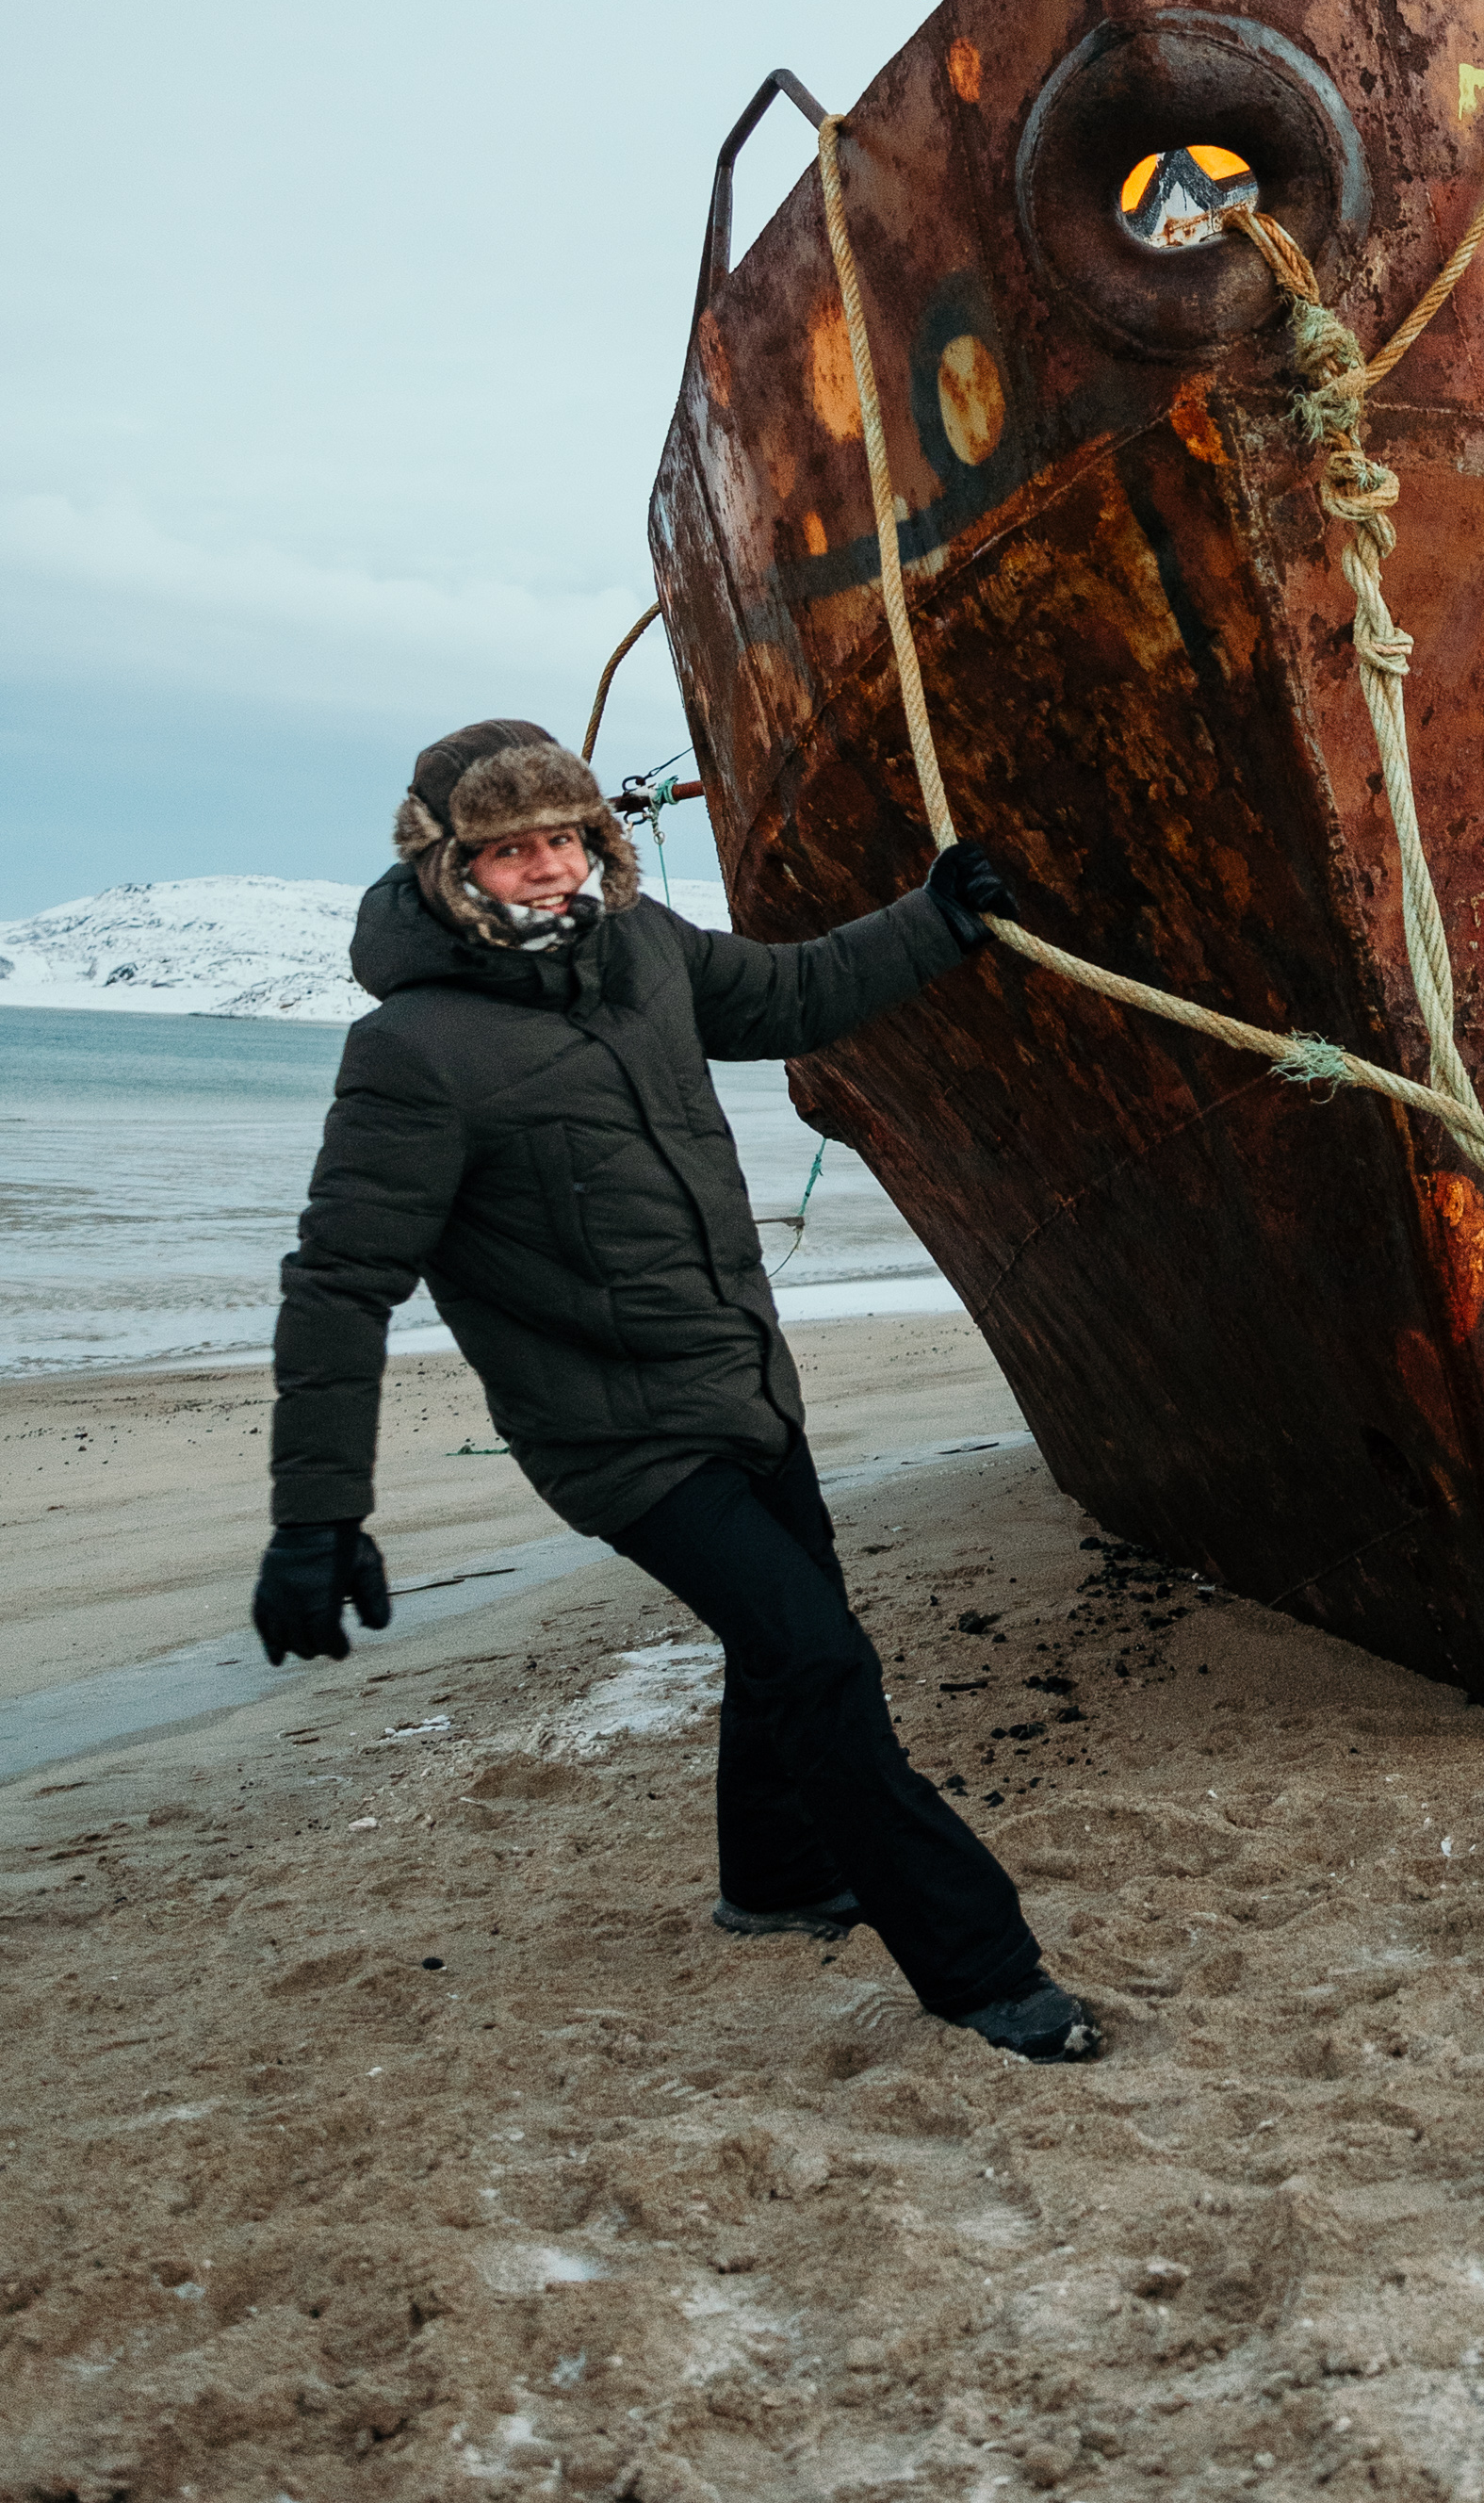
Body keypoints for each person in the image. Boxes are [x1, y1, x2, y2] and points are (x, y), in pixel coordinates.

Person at [253, 716, 1097, 2063]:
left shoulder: (644, 952)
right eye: (510, 849)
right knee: (821, 1660)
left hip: (745, 1388)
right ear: (447, 866)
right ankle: (981, 1968)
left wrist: (936, 919)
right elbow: (340, 1284)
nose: (548, 869)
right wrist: (316, 1517)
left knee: (788, 1639)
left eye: (566, 839)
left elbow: (792, 995)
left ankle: (771, 1880)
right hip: (615, 1441)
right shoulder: (415, 1053)